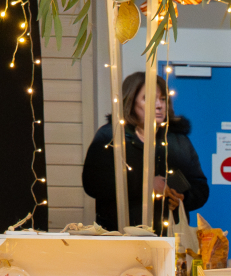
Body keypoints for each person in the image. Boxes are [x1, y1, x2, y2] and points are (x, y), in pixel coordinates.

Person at [82, 72, 208, 231]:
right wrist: (146, 184)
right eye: (148, 99)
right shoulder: (110, 136)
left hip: (169, 235)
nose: (159, 105)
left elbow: (200, 187)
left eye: (163, 99)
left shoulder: (178, 140)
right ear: (130, 102)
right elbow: (93, 183)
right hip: (120, 233)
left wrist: (183, 198)